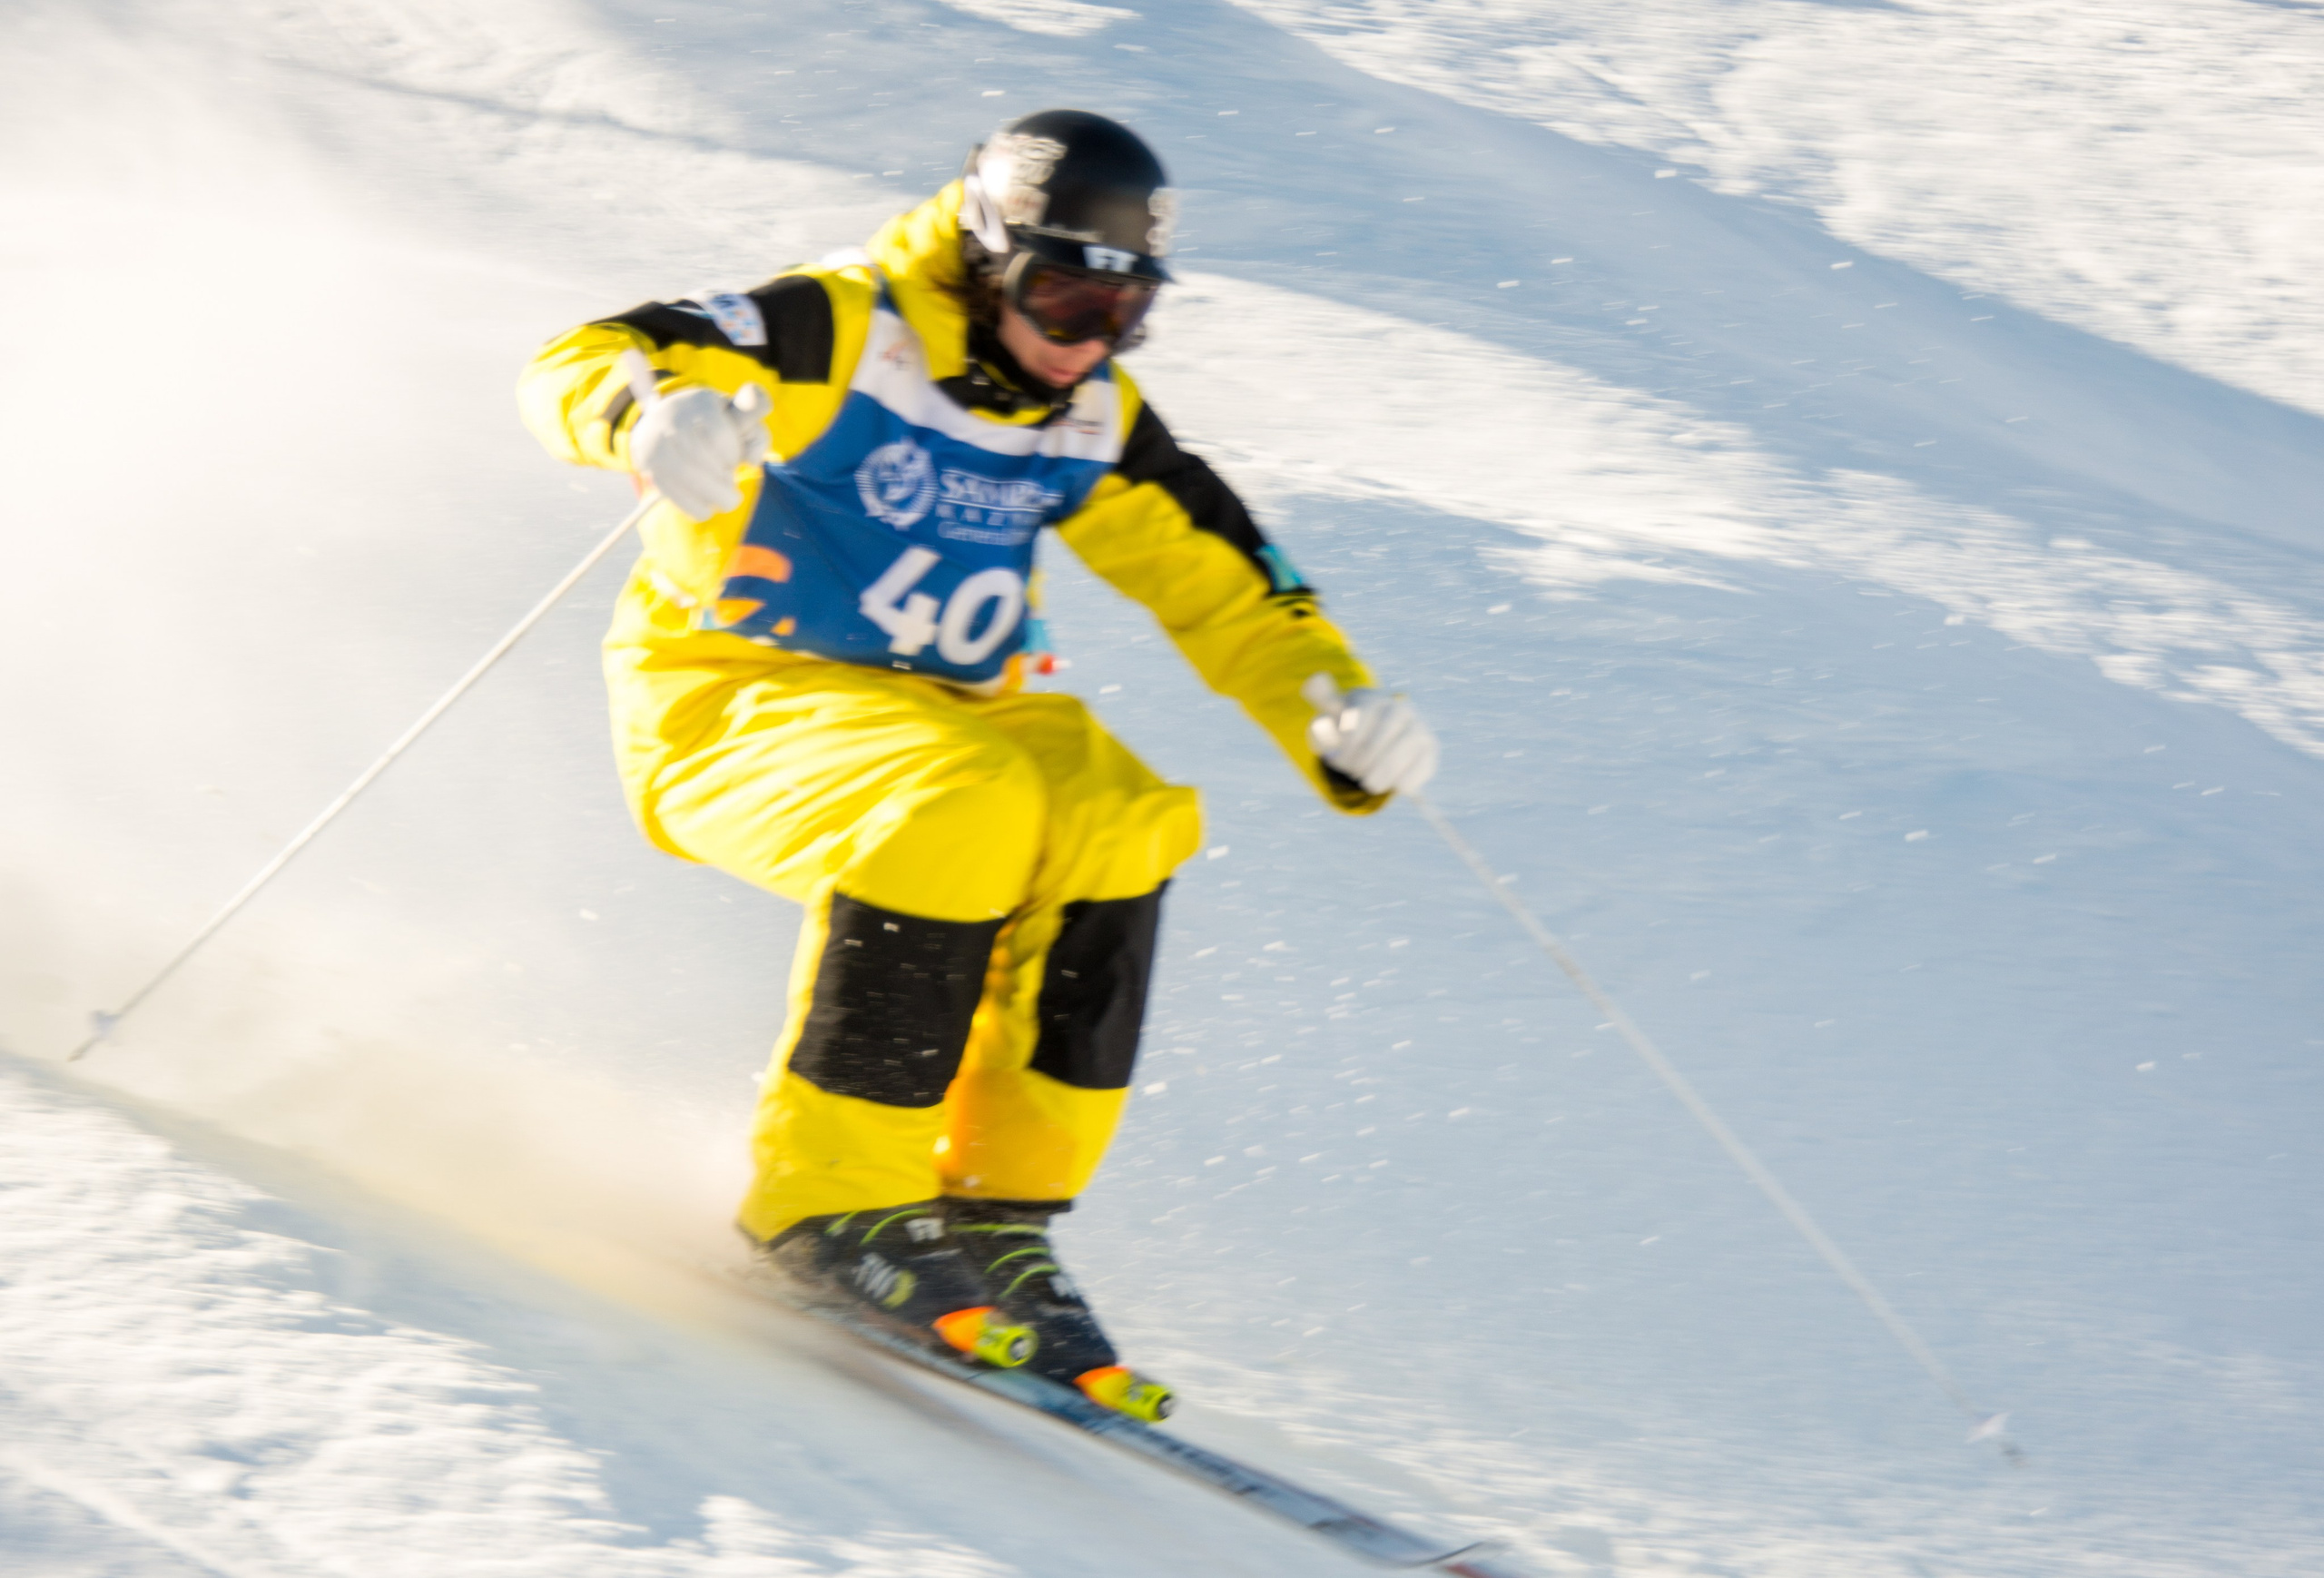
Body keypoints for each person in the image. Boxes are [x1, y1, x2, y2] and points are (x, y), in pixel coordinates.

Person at [518, 110, 1436, 1418]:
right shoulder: (843, 330)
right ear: (984, 255)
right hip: (738, 697)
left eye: (1120, 312)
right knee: (966, 803)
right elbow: (591, 352)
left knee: (1126, 816)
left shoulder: (1086, 411)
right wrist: (644, 417)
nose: (1081, 338)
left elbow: (1224, 586)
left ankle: (995, 1213)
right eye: (1059, 292)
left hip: (955, 707)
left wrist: (1332, 710)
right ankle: (830, 1203)